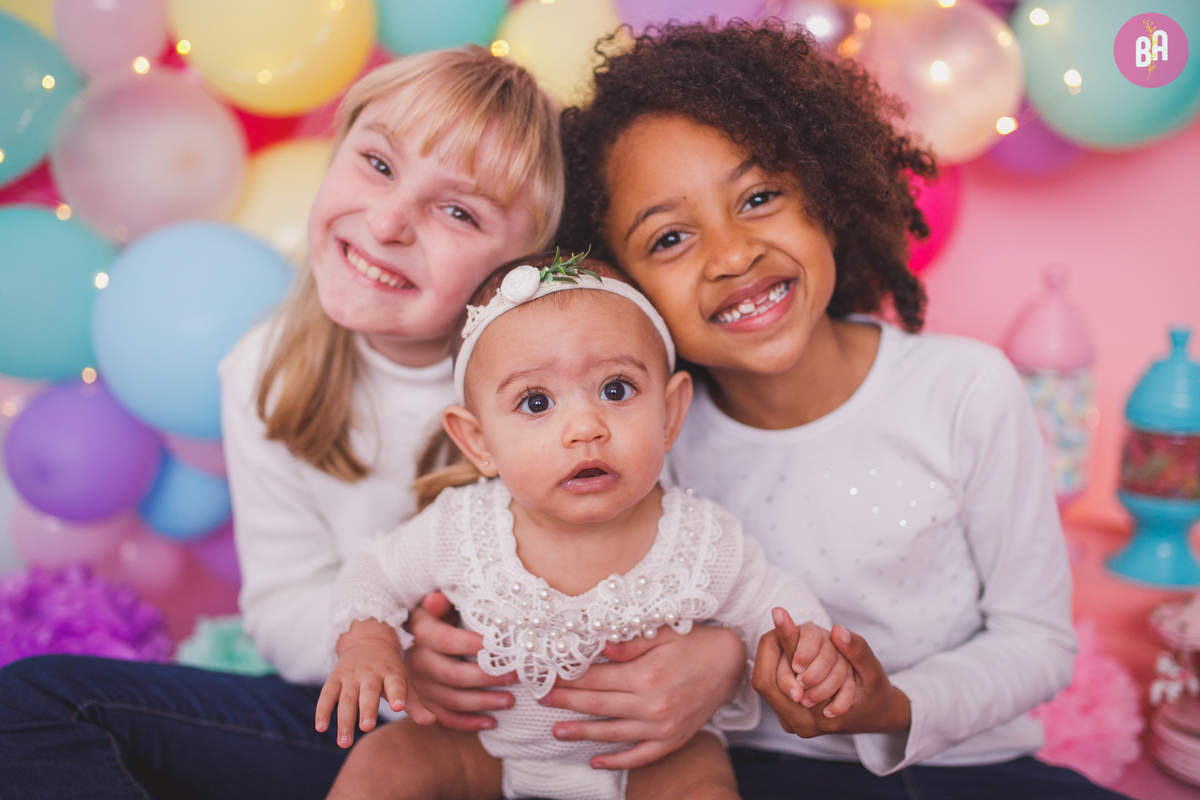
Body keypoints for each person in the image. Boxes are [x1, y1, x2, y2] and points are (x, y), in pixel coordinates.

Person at [410, 21, 1132, 799]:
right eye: (670, 238)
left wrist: (890, 705)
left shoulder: (964, 390)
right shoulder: (635, 437)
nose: (731, 255)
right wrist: (442, 650)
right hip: (737, 770)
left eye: (759, 198)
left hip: (964, 766)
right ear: (622, 288)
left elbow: (1038, 643)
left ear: (825, 193)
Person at [0, 46, 563, 800]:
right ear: (335, 154)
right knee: (32, 705)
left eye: (458, 211)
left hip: (556, 716)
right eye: (379, 164)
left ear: (522, 264)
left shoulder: (565, 369)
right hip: (380, 706)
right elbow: (282, 601)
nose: (389, 221)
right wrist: (394, 652)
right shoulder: (267, 370)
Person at [315, 253, 853, 800]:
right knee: (384, 761)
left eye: (616, 390)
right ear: (478, 442)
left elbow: (772, 601)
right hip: (477, 748)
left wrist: (809, 647)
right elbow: (375, 569)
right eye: (537, 401)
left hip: (653, 760)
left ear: (669, 415)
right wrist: (367, 644)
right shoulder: (463, 527)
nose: (584, 428)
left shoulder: (701, 540)